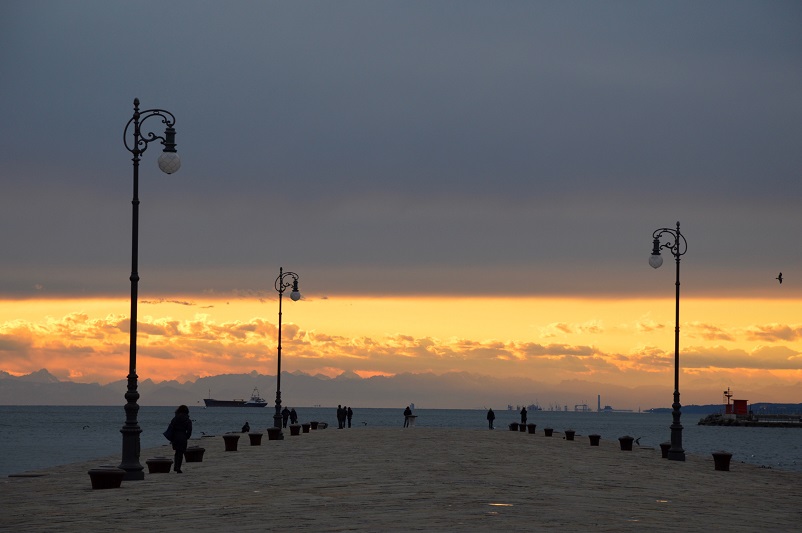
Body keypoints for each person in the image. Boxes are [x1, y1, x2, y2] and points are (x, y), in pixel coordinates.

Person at [168, 404, 192, 474]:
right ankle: (178, 467)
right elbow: (189, 430)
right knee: (180, 453)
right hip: (183, 436)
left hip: (175, 437)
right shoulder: (188, 420)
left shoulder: (175, 418)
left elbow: (171, 427)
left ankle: (175, 466)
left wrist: (172, 437)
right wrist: (187, 437)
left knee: (177, 452)